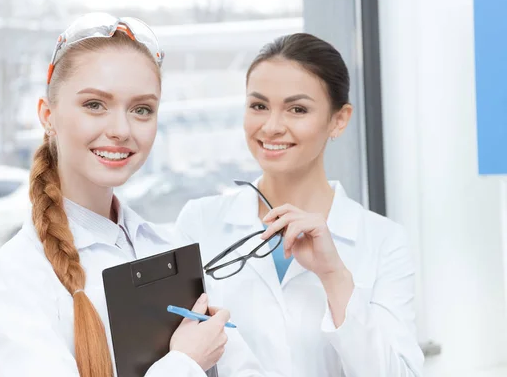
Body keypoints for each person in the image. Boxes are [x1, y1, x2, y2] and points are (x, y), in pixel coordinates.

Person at [0, 13, 263, 377]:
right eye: (95, 104)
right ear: (47, 115)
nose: (121, 130)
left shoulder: (170, 248)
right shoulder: (12, 276)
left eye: (142, 109)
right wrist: (186, 362)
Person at [175, 33, 425, 376]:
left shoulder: (383, 241)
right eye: (259, 106)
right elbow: (176, 358)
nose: (272, 126)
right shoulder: (199, 223)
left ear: (339, 120)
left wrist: (333, 275)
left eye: (297, 109)